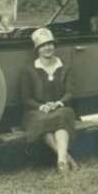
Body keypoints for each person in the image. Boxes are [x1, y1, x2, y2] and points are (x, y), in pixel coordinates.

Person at [20, 27, 79, 172]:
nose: (48, 48)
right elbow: (26, 98)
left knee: (62, 118)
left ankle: (61, 161)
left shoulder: (65, 67)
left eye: (50, 44)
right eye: (43, 45)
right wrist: (41, 107)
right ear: (37, 49)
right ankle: (67, 158)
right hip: (37, 110)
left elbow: (71, 93)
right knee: (42, 122)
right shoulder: (29, 70)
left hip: (61, 107)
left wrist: (58, 103)